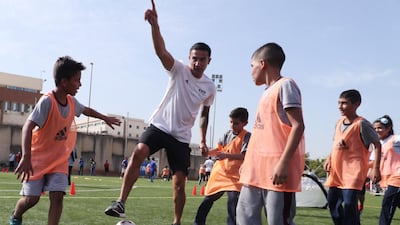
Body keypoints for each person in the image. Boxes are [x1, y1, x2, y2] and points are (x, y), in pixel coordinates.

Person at [104, 1, 216, 224]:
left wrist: (202, 140)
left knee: (179, 183)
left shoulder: (209, 87)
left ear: (208, 61)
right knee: (138, 152)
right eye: (194, 58)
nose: (197, 62)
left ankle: (176, 221)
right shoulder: (179, 69)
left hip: (182, 137)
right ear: (189, 57)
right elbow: (161, 51)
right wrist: (154, 25)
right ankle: (120, 202)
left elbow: (205, 114)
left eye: (202, 59)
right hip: (160, 125)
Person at [9, 56, 121, 225]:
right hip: (37, 159)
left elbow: (86, 110)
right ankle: (16, 214)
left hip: (59, 160)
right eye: (77, 80)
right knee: (32, 199)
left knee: (58, 197)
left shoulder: (71, 101)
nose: (80, 84)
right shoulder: (47, 101)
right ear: (64, 82)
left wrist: (104, 118)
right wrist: (26, 157)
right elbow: (27, 127)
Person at [236, 43, 305, 225]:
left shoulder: (286, 85)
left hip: (277, 170)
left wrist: (283, 163)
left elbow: (298, 126)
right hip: (255, 170)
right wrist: (248, 162)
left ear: (262, 63)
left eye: (252, 66)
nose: (250, 71)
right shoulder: (266, 92)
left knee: (278, 220)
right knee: (244, 217)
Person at [324, 89, 381, 225]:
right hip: (337, 172)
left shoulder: (362, 124)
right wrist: (329, 158)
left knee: (350, 205)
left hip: (353, 172)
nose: (340, 106)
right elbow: (335, 143)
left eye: (344, 103)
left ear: (357, 104)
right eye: (339, 103)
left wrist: (376, 168)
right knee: (333, 204)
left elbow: (377, 144)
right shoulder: (339, 122)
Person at [194, 107, 251, 225]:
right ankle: (198, 222)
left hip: (236, 175)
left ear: (245, 123)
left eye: (236, 123)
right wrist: (208, 152)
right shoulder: (227, 134)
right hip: (221, 173)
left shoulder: (247, 136)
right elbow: (218, 150)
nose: (232, 125)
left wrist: (226, 155)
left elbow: (244, 156)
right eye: (231, 122)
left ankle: (232, 223)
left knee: (233, 201)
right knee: (208, 198)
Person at [373, 115, 400, 225]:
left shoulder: (395, 139)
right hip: (388, 179)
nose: (376, 130)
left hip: (397, 177)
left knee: (387, 203)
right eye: (374, 128)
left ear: (388, 128)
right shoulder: (377, 144)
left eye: (379, 128)